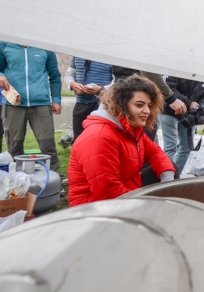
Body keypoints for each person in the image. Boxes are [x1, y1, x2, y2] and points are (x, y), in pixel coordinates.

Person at [67, 75, 176, 206]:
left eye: (149, 105)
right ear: (121, 104)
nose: (146, 111)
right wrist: (147, 208)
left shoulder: (130, 129)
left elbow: (155, 153)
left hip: (128, 189)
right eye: (139, 105)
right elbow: (108, 193)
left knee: (170, 170)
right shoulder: (99, 137)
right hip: (93, 208)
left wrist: (168, 183)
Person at [0, 42, 62, 172]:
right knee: (14, 146)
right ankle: (18, 182)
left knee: (48, 146)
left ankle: (54, 179)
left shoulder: (46, 47)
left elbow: (55, 76)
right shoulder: (4, 45)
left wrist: (56, 99)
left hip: (41, 104)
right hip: (13, 104)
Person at [160, 76, 204, 173]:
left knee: (187, 147)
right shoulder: (179, 70)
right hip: (169, 110)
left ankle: (175, 176)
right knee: (170, 146)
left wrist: (202, 106)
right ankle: (166, 178)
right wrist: (188, 102)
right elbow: (169, 88)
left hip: (189, 115)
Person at [64, 57, 113, 141]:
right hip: (80, 104)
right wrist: (73, 84)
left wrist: (101, 89)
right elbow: (69, 74)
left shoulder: (110, 54)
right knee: (78, 140)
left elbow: (118, 81)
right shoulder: (78, 53)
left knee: (99, 139)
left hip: (102, 106)